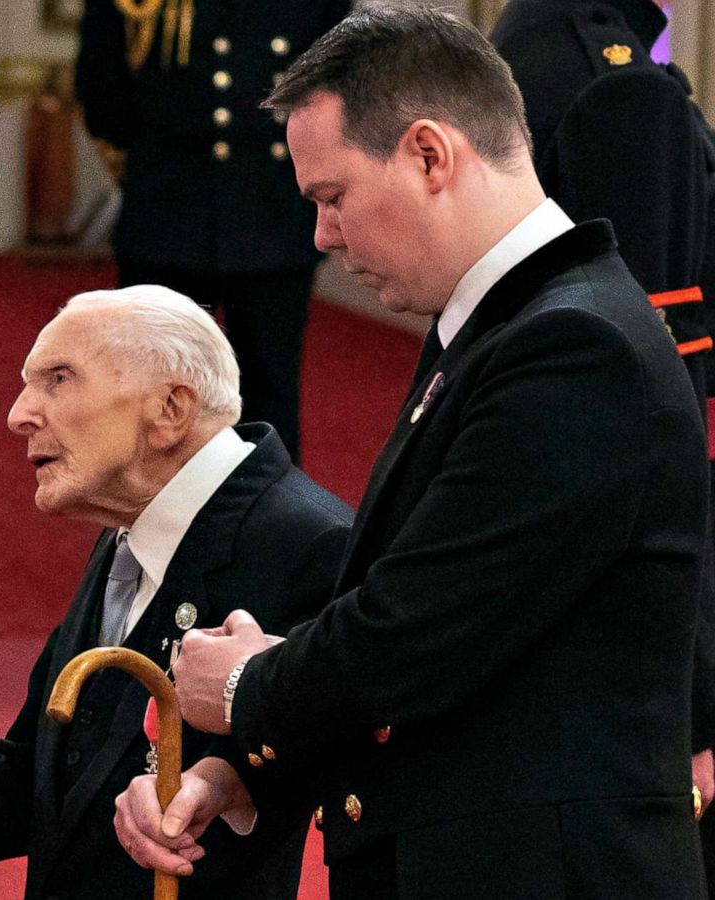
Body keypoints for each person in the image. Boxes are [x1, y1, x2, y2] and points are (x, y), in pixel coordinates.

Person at [111, 8, 708, 898]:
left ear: (430, 155)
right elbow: (453, 624)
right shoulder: (507, 323)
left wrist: (250, 689)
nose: (320, 236)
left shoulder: (574, 347)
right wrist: (252, 768)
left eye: (332, 197)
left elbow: (417, 631)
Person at [0, 286, 352, 899]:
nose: (18, 413)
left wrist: (224, 780)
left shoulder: (310, 543)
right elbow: (36, 787)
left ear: (170, 409)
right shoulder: (134, 528)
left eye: (59, 379)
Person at [488, 1, 715, 886]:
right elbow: (668, 416)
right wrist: (700, 706)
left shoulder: (535, 39)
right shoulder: (618, 88)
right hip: (651, 610)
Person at [75, 0, 350, 462]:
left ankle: (270, 529)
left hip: (272, 217)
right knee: (155, 395)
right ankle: (153, 526)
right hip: (167, 214)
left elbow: (338, 87)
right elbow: (102, 88)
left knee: (269, 394)